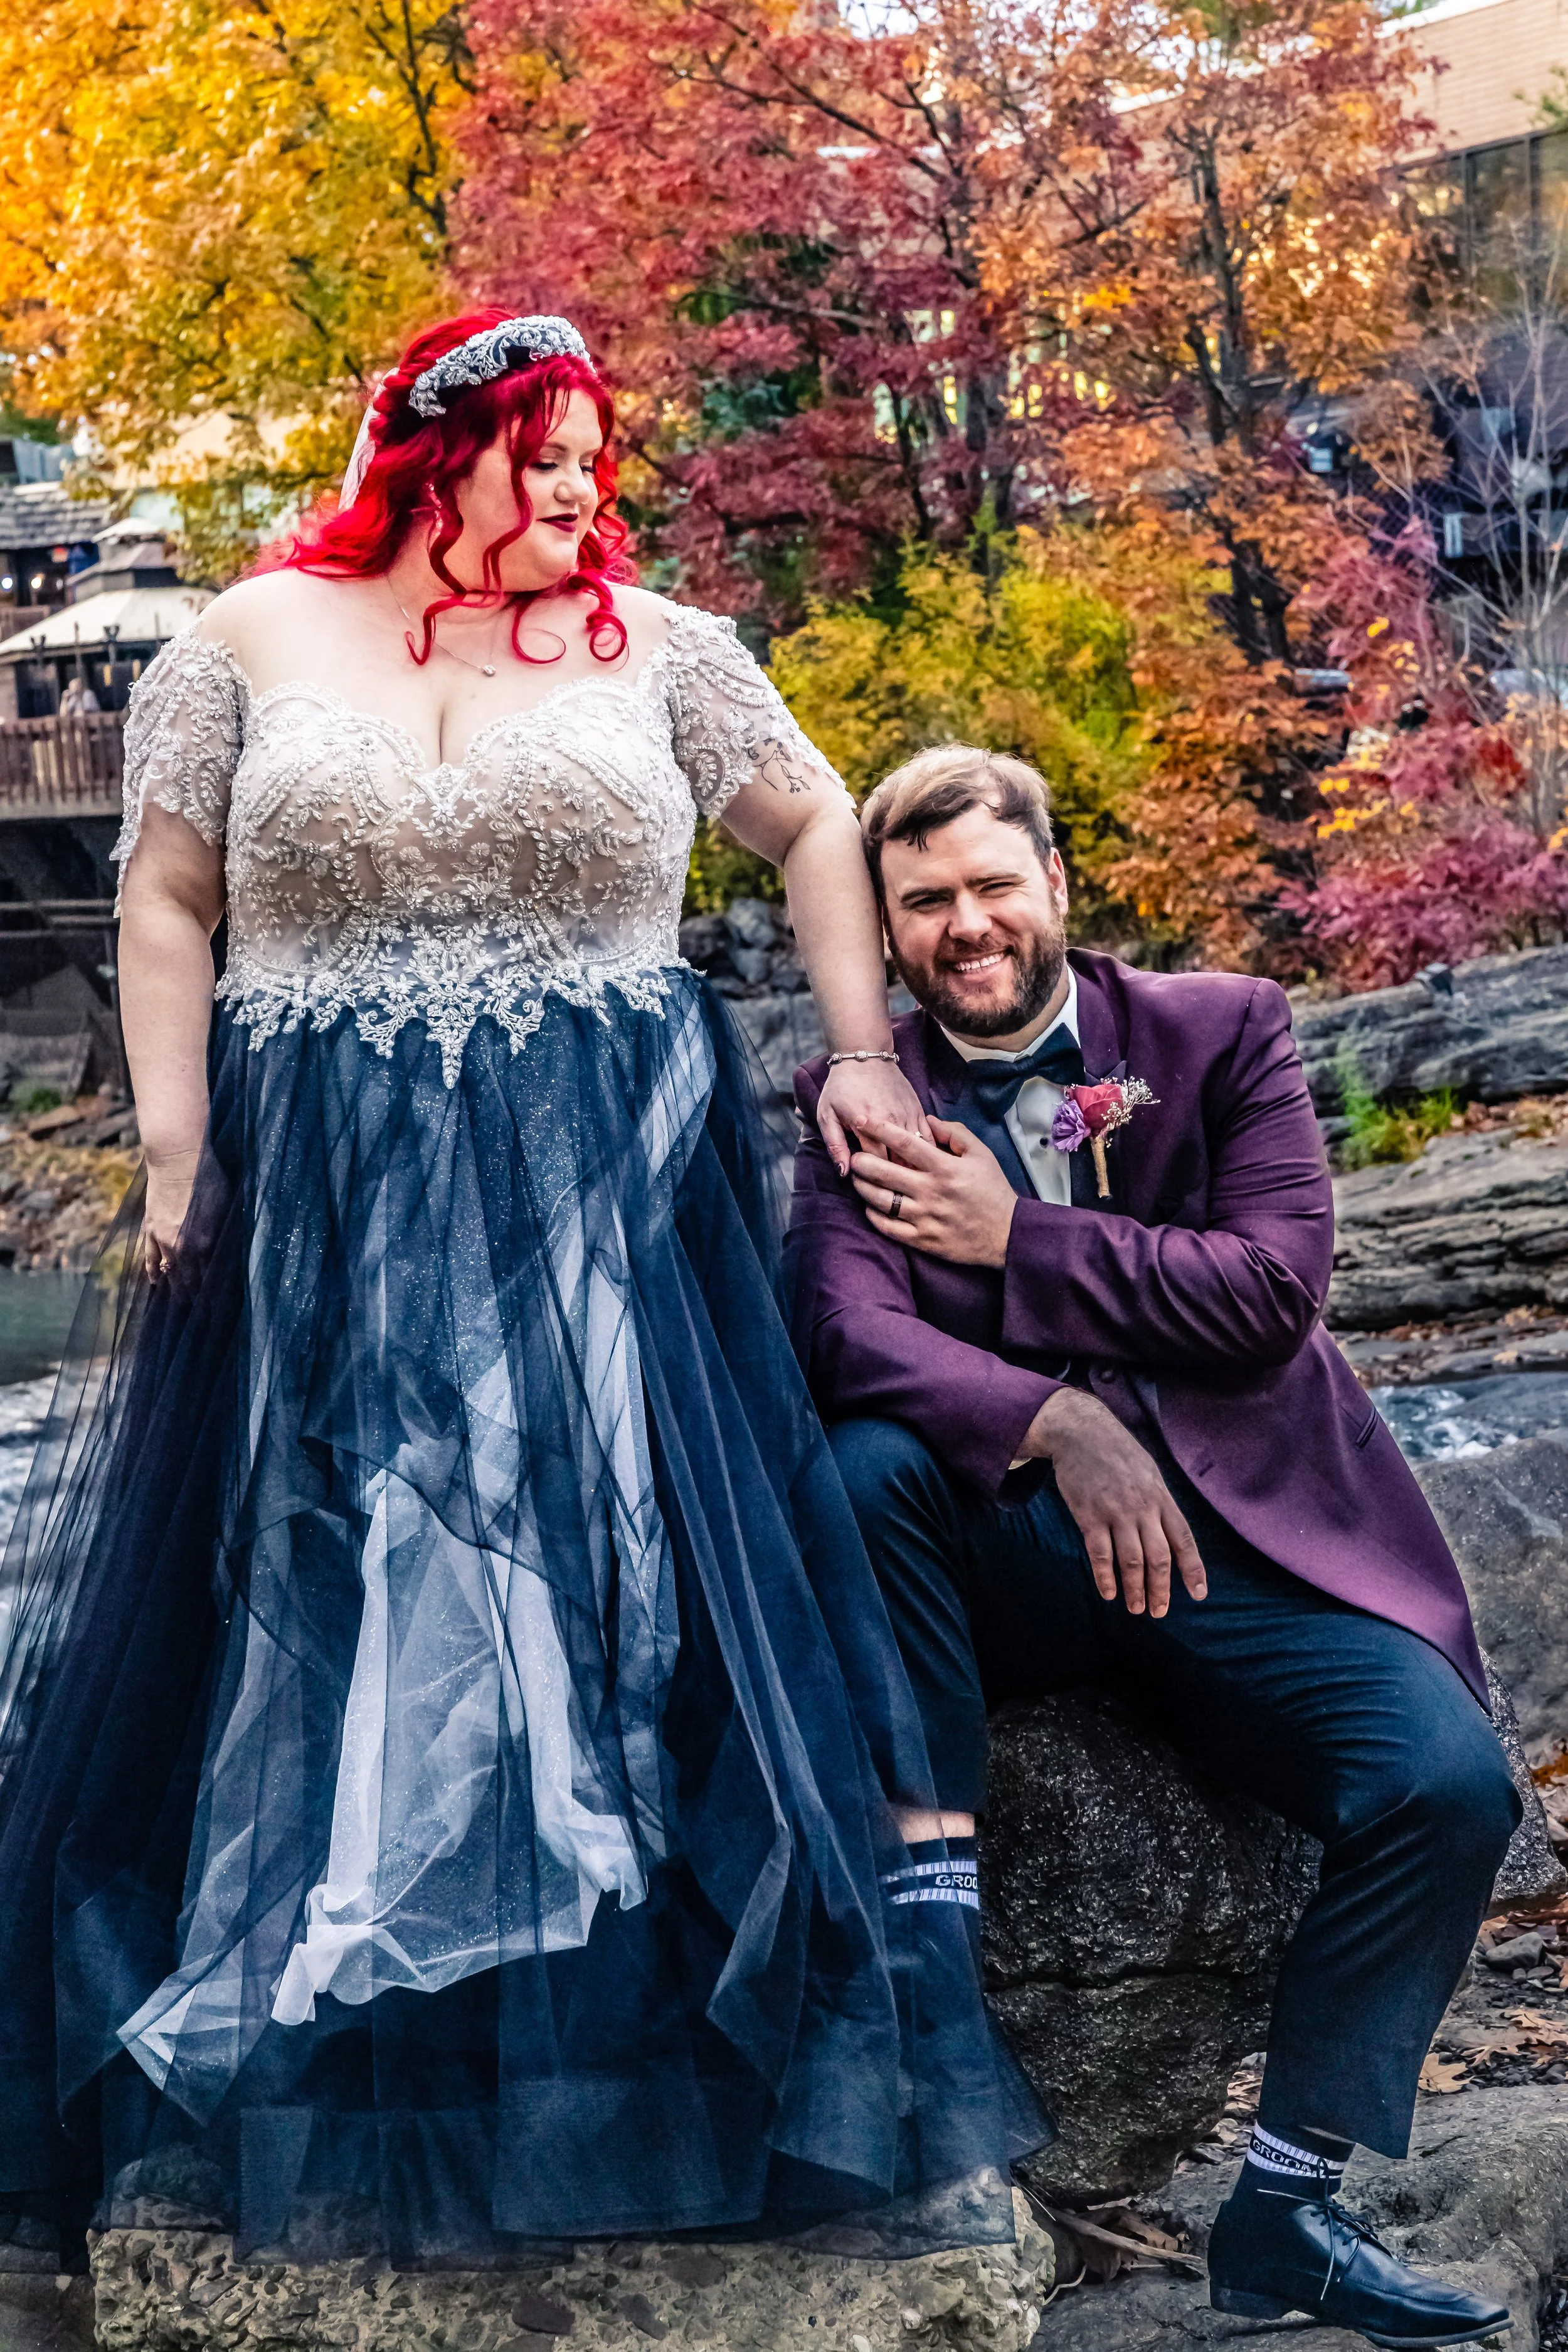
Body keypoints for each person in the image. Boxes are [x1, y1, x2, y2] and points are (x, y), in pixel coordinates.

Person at [0, 313, 1042, 2272]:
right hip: (320, 1171)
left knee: (613, 1572)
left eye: (596, 457)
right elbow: (164, 895)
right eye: (544, 454)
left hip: (604, 1179)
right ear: (435, 454)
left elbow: (816, 818)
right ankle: (345, 2015)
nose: (583, 489)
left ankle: (618, 2018)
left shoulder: (664, 648)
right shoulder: (242, 642)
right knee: (332, 1560)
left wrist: (861, 1052)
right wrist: (166, 1140)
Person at [786, 742, 1522, 2349]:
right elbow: (843, 1335)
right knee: (858, 1466)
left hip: (1235, 1548)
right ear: (885, 930)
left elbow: (1271, 1295)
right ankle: (930, 1981)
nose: (963, 927)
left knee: (1450, 1785)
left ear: (1054, 884)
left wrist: (1016, 1242)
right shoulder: (864, 1094)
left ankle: (1281, 2207)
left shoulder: (1220, 1030)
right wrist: (1059, 1423)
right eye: (922, 904)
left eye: (990, 887)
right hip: (1007, 1564)